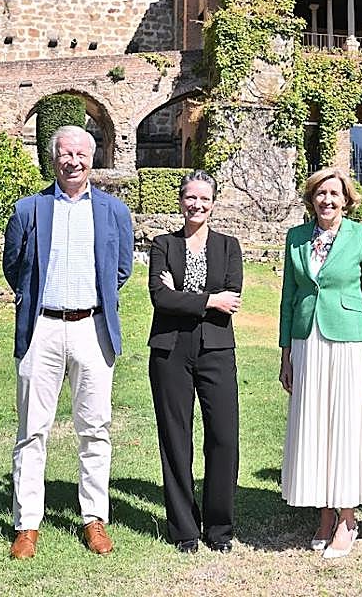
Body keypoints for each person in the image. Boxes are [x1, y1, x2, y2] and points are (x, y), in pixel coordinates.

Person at [1, 125, 134, 560]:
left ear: (92, 158)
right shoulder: (29, 209)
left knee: (94, 429)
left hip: (92, 329)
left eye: (80, 154)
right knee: (32, 430)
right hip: (41, 328)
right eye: (65, 153)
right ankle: (27, 525)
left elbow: (121, 269)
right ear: (53, 157)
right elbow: (14, 266)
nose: (72, 161)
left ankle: (94, 518)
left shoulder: (113, 211)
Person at [278, 168, 362, 560]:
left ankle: (347, 519)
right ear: (312, 199)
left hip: (350, 341)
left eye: (334, 194)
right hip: (307, 341)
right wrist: (285, 352)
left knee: (346, 425)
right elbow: (289, 296)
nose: (327, 200)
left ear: (346, 200)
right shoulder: (296, 237)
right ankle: (324, 513)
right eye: (320, 193)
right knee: (315, 424)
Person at [147, 170, 242, 554]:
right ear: (180, 200)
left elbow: (232, 298)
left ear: (213, 204)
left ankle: (219, 528)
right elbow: (160, 297)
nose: (196, 205)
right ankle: (184, 529)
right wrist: (209, 300)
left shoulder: (229, 246)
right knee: (176, 438)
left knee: (223, 437)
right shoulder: (163, 244)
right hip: (169, 350)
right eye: (190, 197)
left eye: (204, 198)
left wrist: (183, 296)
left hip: (216, 349)